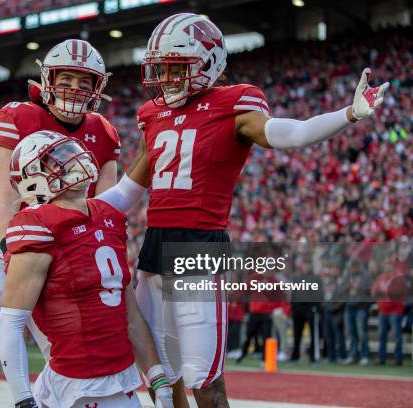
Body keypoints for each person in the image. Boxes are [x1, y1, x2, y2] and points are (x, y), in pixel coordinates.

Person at [97, 13, 389, 407]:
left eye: (176, 68)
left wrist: (347, 114)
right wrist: (63, 212)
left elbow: (292, 133)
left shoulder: (233, 102)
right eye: (161, 68)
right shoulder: (154, 115)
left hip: (197, 247)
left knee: (204, 378)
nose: (165, 77)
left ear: (209, 63)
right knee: (164, 374)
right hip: (153, 247)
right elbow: (128, 191)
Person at [0, 39, 121, 407]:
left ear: (98, 88)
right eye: (67, 79)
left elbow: (103, 210)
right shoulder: (19, 116)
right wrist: (12, 256)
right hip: (8, 253)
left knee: (78, 367)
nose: (75, 90)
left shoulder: (103, 131)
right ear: (48, 79)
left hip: (65, 263)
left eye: (85, 82)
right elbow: (6, 201)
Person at [0, 131, 172, 408]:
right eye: (59, 160)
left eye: (71, 153)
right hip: (78, 385)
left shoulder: (108, 217)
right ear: (34, 178)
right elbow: (11, 321)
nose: (74, 162)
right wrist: (22, 399)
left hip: (122, 380)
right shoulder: (38, 225)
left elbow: (130, 315)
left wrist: (156, 374)